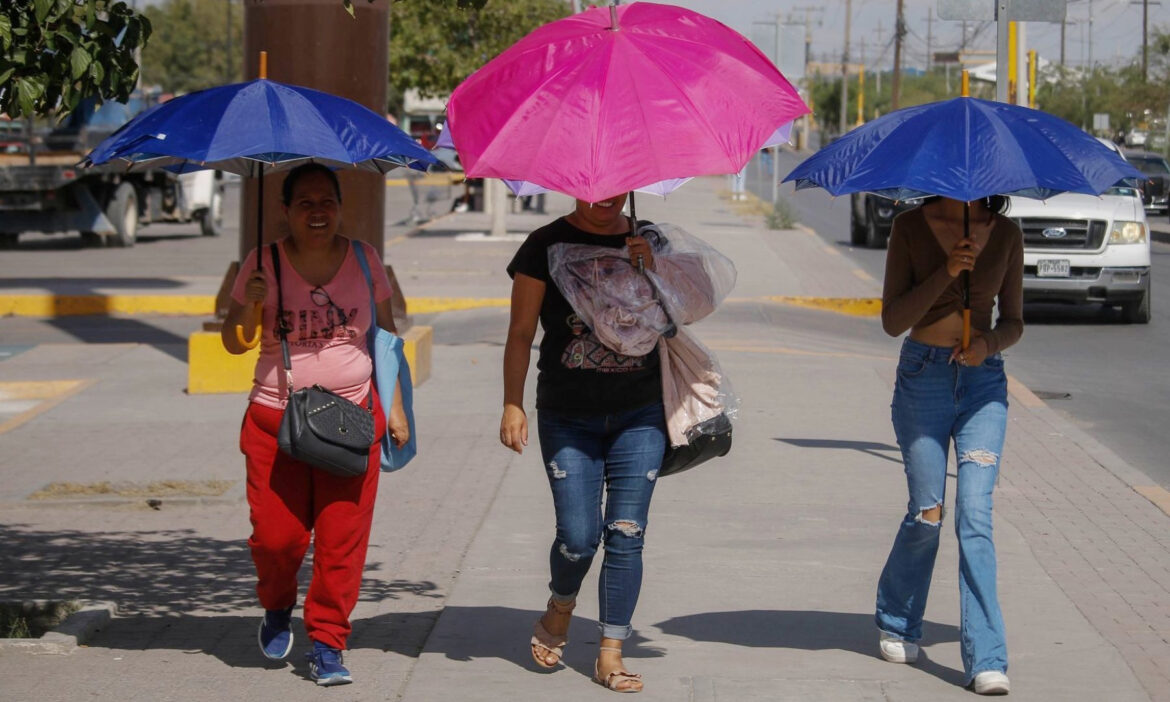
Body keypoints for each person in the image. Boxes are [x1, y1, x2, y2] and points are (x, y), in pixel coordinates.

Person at [222, 163, 409, 687]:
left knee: (340, 541)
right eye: (305, 203)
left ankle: (327, 642)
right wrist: (252, 301)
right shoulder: (262, 263)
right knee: (276, 541)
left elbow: (386, 338)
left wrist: (394, 406)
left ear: (340, 207)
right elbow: (234, 343)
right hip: (274, 423)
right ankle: (277, 603)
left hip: (352, 422)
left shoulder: (365, 259)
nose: (318, 211)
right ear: (285, 211)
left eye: (327, 200)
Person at [501, 193, 664, 694]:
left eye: (617, 186)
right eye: (595, 187)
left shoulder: (648, 239)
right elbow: (521, 331)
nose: (606, 197)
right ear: (576, 185)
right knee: (578, 537)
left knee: (627, 532)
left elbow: (686, 312)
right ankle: (561, 604)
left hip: (641, 412)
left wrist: (655, 271)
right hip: (568, 414)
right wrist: (512, 403)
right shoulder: (544, 245)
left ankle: (610, 651)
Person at [875, 195, 1023, 696]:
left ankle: (987, 658)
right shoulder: (910, 226)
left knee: (975, 515)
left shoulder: (1006, 233)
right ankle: (897, 619)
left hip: (983, 386)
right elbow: (893, 320)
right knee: (927, 514)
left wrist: (987, 345)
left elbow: (1014, 321)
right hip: (924, 377)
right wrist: (948, 270)